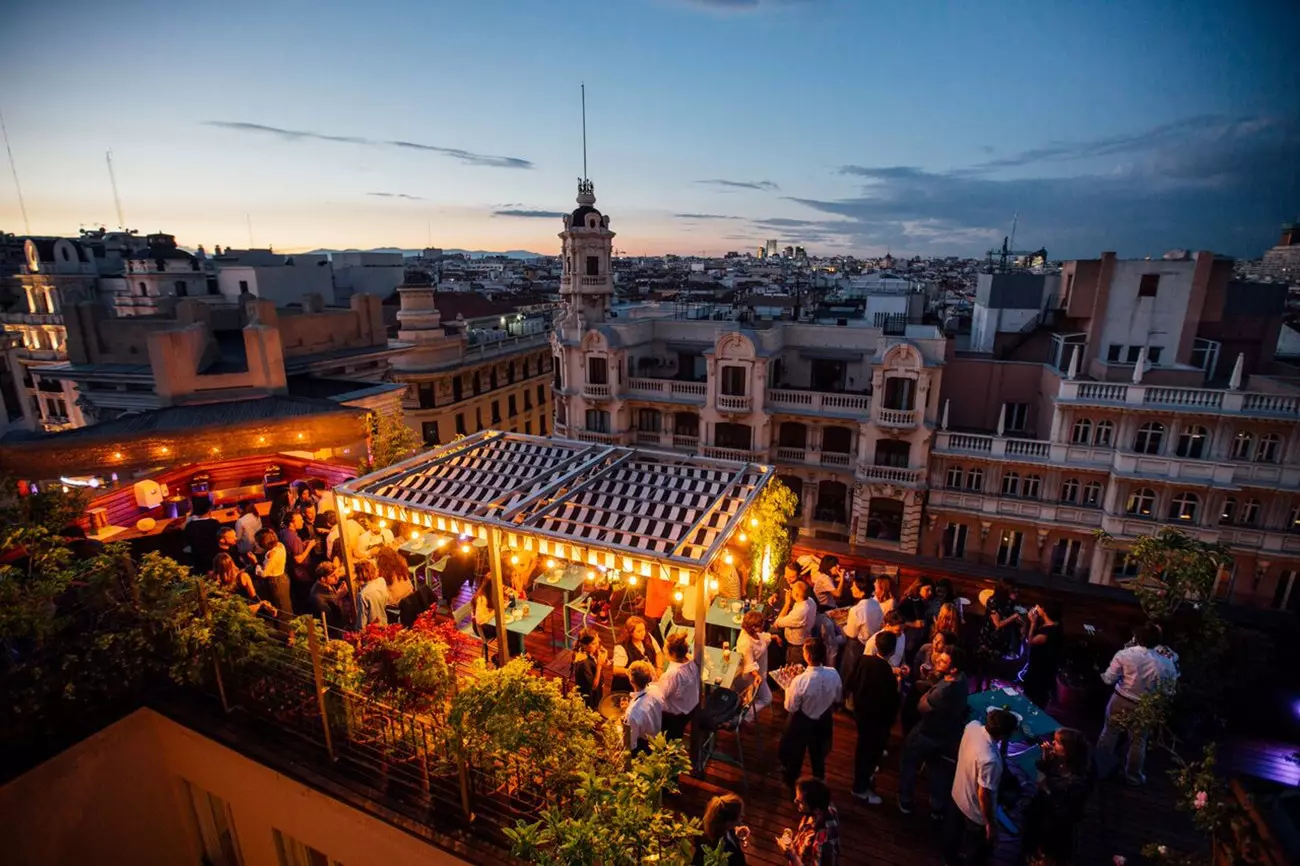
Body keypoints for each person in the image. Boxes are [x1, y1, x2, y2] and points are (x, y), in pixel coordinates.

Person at [1096, 622, 1178, 786]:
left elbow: (1109, 679)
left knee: (1109, 734)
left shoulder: (1125, 654)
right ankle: (1133, 777)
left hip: (1120, 699)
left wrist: (1100, 673)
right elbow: (1169, 692)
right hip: (1145, 706)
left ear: (1138, 638)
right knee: (1139, 741)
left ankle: (1099, 769)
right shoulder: (1167, 663)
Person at [898, 646, 971, 818]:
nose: (938, 660)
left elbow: (922, 706)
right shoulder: (962, 679)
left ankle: (905, 800)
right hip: (948, 734)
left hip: (928, 733)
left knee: (909, 762)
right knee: (939, 769)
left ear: (953, 669)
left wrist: (927, 691)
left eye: (943, 661)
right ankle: (937, 806)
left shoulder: (943, 691)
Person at [945, 708, 1017, 866]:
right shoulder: (991, 760)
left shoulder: (972, 726)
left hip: (957, 794)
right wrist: (990, 824)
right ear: (1004, 735)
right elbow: (984, 794)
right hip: (974, 812)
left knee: (953, 837)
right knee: (977, 852)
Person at [1021, 727, 1093, 866]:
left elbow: (1065, 812)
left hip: (1055, 829)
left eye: (1058, 742)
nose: (1052, 743)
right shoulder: (1056, 760)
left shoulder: (1078, 782)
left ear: (1069, 751)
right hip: (1040, 815)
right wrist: (1045, 758)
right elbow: (1042, 770)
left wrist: (1046, 789)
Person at [847, 629, 901, 804]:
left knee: (862, 748)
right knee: (868, 752)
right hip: (876, 720)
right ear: (892, 651)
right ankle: (860, 788)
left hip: (861, 713)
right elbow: (891, 704)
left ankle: (863, 780)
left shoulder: (863, 660)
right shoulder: (887, 674)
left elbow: (852, 681)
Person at [779, 639, 842, 788]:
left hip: (802, 721)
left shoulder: (800, 681)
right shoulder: (833, 674)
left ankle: (792, 785)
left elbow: (790, 707)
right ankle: (818, 784)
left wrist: (788, 686)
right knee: (818, 756)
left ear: (807, 656)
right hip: (824, 719)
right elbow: (838, 697)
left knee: (795, 756)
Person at [779, 777, 840, 866]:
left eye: (801, 802)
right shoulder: (826, 807)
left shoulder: (820, 840)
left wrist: (793, 856)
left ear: (816, 810)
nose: (795, 801)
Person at [651, 631, 700, 740]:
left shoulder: (672, 674)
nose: (663, 650)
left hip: (675, 716)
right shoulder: (690, 659)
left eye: (664, 648)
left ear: (672, 653)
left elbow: (659, 696)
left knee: (668, 740)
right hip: (690, 707)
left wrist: (652, 680)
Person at [976, 579, 1023, 688]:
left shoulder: (1009, 602)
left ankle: (989, 688)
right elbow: (998, 624)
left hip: (1001, 640)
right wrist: (1014, 617)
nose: (1016, 594)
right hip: (989, 639)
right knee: (983, 667)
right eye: (1013, 591)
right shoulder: (993, 601)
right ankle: (978, 689)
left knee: (994, 668)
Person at [1023, 600, 1064, 709]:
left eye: (1041, 607)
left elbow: (1030, 640)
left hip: (1040, 667)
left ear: (1045, 611)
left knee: (1036, 694)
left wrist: (1032, 622)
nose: (1037, 607)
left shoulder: (1048, 633)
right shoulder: (1055, 624)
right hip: (1044, 664)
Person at [735, 610, 774, 720]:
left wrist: (773, 637)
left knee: (749, 697)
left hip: (760, 669)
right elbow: (749, 663)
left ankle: (745, 708)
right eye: (760, 624)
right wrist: (756, 676)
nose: (763, 625)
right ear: (753, 627)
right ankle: (745, 715)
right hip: (751, 675)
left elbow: (761, 637)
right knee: (767, 698)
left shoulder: (754, 633)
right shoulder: (746, 643)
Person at [211, 552, 275, 617]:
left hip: (246, 615)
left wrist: (263, 605)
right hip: (229, 618)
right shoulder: (216, 582)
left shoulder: (242, 577)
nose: (223, 574)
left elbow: (254, 597)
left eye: (224, 571)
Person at [693, 792, 749, 866]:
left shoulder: (708, 827)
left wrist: (734, 834)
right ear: (729, 822)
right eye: (740, 815)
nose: (743, 815)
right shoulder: (724, 851)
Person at [611, 616, 663, 693]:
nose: (643, 633)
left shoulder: (647, 636)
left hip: (645, 682)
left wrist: (659, 668)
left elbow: (658, 652)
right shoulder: (622, 647)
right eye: (639, 631)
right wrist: (632, 671)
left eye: (644, 629)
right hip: (628, 686)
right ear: (630, 633)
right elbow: (615, 670)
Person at [280, 511, 317, 614]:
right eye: (299, 520)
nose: (302, 522)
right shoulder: (294, 538)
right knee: (305, 599)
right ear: (292, 523)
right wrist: (309, 547)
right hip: (301, 574)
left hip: (292, 572)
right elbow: (298, 559)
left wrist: (302, 544)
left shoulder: (284, 533)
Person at [774, 581, 818, 666]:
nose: (790, 590)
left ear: (797, 595)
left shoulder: (800, 612)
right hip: (805, 639)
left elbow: (777, 622)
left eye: (792, 590)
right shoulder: (811, 601)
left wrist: (787, 603)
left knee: (793, 671)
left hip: (796, 649)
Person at [623, 660, 663, 754]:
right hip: (658, 737)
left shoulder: (633, 713)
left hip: (644, 746)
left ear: (631, 681)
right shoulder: (656, 690)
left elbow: (631, 744)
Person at [254, 528, 292, 618]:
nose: (256, 544)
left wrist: (256, 563)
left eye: (257, 541)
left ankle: (286, 628)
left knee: (281, 608)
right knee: (286, 605)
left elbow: (264, 574)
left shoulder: (271, 554)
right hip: (283, 577)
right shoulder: (280, 545)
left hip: (276, 582)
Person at [897, 577, 934, 662]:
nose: (930, 593)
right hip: (907, 640)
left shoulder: (922, 601)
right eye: (927, 590)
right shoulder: (908, 601)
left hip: (917, 640)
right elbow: (896, 617)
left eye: (931, 590)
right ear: (918, 588)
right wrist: (913, 623)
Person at [184, 498, 224, 573]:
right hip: (215, 558)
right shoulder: (215, 523)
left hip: (199, 559)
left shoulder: (190, 526)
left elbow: (187, 543)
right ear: (209, 510)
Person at [572, 628, 608, 710]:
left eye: (598, 641)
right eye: (594, 643)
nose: (598, 645)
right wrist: (599, 665)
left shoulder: (588, 651)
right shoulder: (583, 663)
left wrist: (604, 658)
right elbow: (593, 687)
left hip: (595, 691)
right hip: (589, 697)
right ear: (585, 645)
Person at [863, 610, 907, 676]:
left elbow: (901, 652)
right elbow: (868, 665)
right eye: (898, 630)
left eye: (903, 629)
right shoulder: (873, 642)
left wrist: (904, 664)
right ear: (887, 625)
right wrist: (893, 670)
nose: (901, 633)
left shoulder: (901, 635)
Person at [309, 561, 349, 630]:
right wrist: (339, 597)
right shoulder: (317, 596)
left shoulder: (329, 583)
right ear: (323, 579)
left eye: (337, 573)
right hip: (332, 630)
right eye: (333, 575)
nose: (337, 577)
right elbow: (330, 619)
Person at [355, 560, 391, 629]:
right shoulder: (382, 581)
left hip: (372, 630)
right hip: (385, 624)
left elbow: (361, 623)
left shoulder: (363, 595)